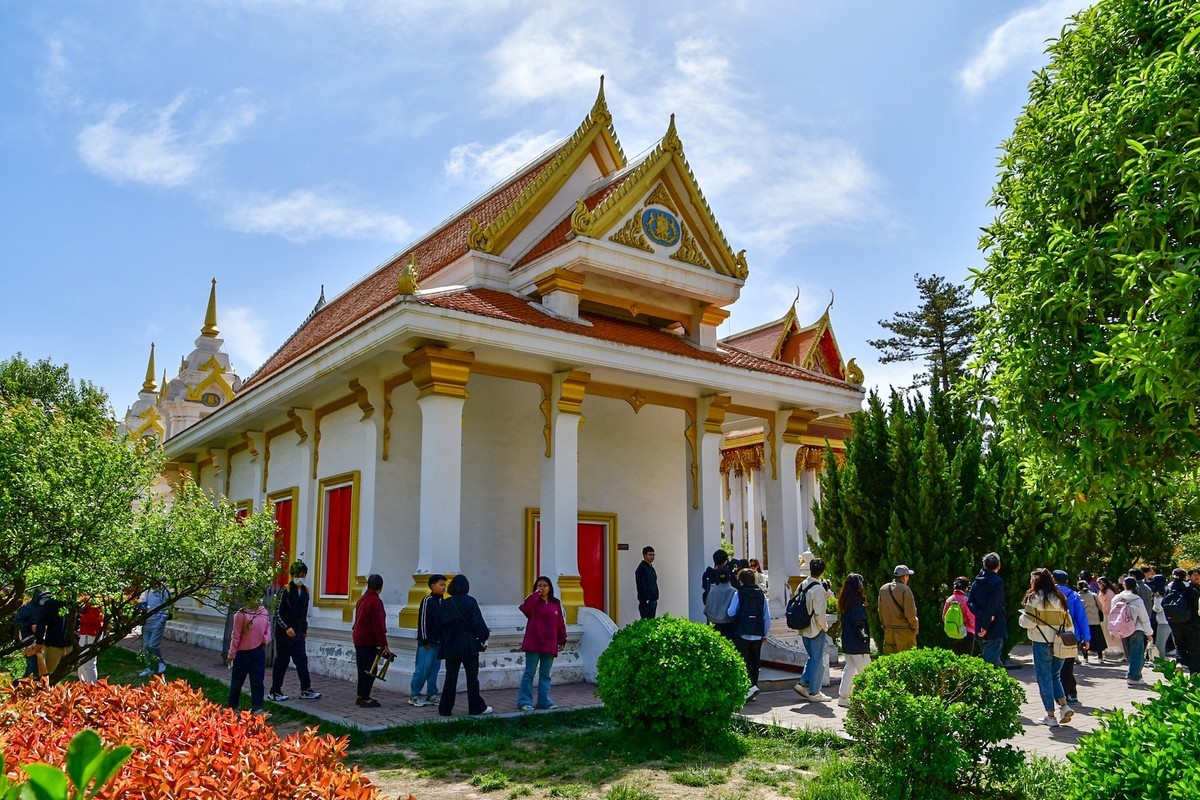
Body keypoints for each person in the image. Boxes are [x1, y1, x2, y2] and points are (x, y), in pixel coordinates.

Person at [1019, 568, 1074, 727]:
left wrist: (1021, 619)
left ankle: (1050, 716)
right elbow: (1068, 623)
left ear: (1036, 581)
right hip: (1060, 643)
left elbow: (1028, 622)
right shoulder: (1060, 597)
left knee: (1044, 679)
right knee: (1054, 676)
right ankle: (1064, 706)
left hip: (1041, 642)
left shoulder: (1034, 598)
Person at [438, 574, 492, 717]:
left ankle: (445, 708)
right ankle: (475, 707)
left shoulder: (446, 603)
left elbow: (440, 625)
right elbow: (479, 625)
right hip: (468, 645)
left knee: (450, 677)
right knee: (472, 678)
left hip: (451, 645)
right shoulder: (470, 602)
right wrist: (483, 636)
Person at [267, 560, 322, 703]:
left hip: (298, 633)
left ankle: (306, 689)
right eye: (298, 574)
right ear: (292, 575)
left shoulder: (305, 591)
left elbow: (303, 613)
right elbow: (277, 613)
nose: (300, 577)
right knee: (282, 662)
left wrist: (304, 629)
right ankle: (275, 691)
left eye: (303, 575)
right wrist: (286, 627)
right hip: (284, 634)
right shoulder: (285, 590)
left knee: (302, 660)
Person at [517, 576, 567, 711]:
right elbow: (525, 610)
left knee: (545, 674)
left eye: (545, 585)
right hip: (534, 642)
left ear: (550, 588)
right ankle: (524, 701)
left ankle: (544, 701)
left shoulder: (555, 603)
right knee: (529, 672)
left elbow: (560, 623)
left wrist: (562, 639)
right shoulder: (533, 601)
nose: (542, 588)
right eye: (539, 585)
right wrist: (535, 595)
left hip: (549, 643)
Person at [226, 590, 271, 716]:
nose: (257, 600)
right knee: (237, 681)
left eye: (258, 597)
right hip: (242, 653)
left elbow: (268, 626)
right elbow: (236, 635)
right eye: (254, 597)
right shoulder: (241, 614)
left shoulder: (263, 612)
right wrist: (231, 654)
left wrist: (265, 639)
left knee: (258, 681)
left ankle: (258, 708)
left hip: (258, 651)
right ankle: (232, 707)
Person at [793, 558, 832, 701]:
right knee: (817, 660)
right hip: (816, 628)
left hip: (803, 626)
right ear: (822, 572)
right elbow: (820, 614)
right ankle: (815, 692)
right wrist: (824, 627)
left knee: (812, 657)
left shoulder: (802, 585)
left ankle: (803, 683)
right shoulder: (818, 589)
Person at [728, 568, 770, 701]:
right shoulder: (761, 594)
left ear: (740, 581)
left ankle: (747, 688)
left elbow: (731, 612)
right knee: (755, 662)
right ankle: (753, 688)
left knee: (743, 661)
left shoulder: (739, 593)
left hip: (742, 631)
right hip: (758, 633)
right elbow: (766, 616)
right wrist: (765, 633)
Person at [351, 574, 390, 708]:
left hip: (359, 637)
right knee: (370, 669)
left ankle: (361, 695)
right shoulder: (375, 601)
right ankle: (365, 697)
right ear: (381, 587)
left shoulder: (362, 599)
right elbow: (378, 625)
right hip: (368, 639)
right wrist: (384, 644)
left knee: (362, 668)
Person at [1052, 570, 1090, 705]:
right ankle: (1071, 693)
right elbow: (1082, 617)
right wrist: (1086, 638)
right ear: (1067, 581)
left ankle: (1059, 695)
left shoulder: (1049, 595)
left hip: (1053, 634)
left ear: (1053, 580)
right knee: (1068, 665)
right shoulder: (1073, 595)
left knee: (1055, 666)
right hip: (1071, 635)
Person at [409, 573, 446, 707]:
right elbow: (423, 621)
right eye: (441, 585)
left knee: (434, 670)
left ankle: (432, 694)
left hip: (438, 643)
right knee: (422, 669)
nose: (443, 588)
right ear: (432, 586)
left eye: (444, 585)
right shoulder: (427, 600)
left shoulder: (443, 602)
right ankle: (415, 695)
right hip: (427, 643)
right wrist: (425, 640)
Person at [1110, 576, 1153, 687]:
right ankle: (1134, 676)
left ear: (1124, 585)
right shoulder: (1137, 600)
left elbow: (1112, 615)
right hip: (1136, 629)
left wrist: (1112, 630)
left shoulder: (1116, 598)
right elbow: (1144, 618)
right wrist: (1149, 633)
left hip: (1122, 629)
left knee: (1128, 653)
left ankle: (1132, 673)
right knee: (1137, 653)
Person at [837, 573, 871, 708]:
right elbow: (859, 622)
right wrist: (864, 637)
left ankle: (843, 696)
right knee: (867, 670)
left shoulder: (845, 602)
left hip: (848, 642)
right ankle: (870, 697)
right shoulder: (857, 603)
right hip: (858, 642)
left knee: (850, 668)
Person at [968, 552, 1007, 667]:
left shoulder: (976, 581)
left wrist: (980, 615)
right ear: (998, 566)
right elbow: (993, 605)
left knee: (991, 662)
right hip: (993, 627)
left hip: (979, 625)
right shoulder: (997, 582)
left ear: (984, 565)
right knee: (991, 665)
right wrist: (986, 625)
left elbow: (970, 602)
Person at [1163, 568, 1200, 672]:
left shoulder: (1169, 589)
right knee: (1194, 646)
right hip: (1191, 623)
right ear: (1186, 577)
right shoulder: (1191, 590)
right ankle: (1195, 673)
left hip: (1174, 622)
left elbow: (1163, 604)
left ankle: (1179, 662)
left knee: (1179, 643)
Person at [878, 565, 919, 655]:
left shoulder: (883, 589)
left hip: (889, 631)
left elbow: (880, 611)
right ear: (904, 577)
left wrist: (885, 626)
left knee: (890, 662)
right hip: (904, 632)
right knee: (907, 661)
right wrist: (915, 627)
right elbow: (910, 614)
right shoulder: (905, 589)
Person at [138, 580, 171, 677]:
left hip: (157, 623)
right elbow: (143, 603)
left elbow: (167, 608)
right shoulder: (147, 591)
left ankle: (161, 662)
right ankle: (149, 668)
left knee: (152, 645)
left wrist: (161, 622)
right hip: (147, 623)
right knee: (145, 648)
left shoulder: (163, 591)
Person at [15, 590, 47, 680]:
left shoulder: (46, 608)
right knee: (33, 665)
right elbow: (17, 622)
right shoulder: (26, 608)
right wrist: (30, 627)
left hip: (43, 639)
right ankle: (24, 686)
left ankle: (40, 688)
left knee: (43, 666)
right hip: (29, 640)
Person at [941, 577, 976, 656]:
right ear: (966, 588)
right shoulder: (966, 600)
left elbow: (944, 616)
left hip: (951, 632)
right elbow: (972, 618)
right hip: (966, 632)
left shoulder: (949, 600)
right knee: (966, 657)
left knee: (954, 656)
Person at [703, 567, 736, 640]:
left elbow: (706, 611)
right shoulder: (734, 592)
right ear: (729, 576)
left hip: (714, 624)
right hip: (729, 626)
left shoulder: (712, 591)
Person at [76, 598, 104, 684]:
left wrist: (79, 617)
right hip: (88, 634)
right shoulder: (92, 600)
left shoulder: (95, 601)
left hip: (90, 634)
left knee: (88, 663)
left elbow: (93, 618)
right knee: (81, 663)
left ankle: (91, 688)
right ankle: (83, 685)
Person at [1077, 580, 1104, 664]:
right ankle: (1100, 657)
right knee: (1098, 639)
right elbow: (1100, 606)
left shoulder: (1078, 596)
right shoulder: (1093, 595)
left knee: (1085, 639)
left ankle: (1086, 658)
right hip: (1095, 620)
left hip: (1084, 622)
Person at [1096, 576, 1121, 661]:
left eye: (1099, 584)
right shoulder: (1102, 592)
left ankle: (1122, 650)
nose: (1098, 585)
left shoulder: (1109, 593)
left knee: (1112, 633)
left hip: (1109, 615)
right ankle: (1105, 650)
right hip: (1104, 614)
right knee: (1104, 633)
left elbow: (1108, 605)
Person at [1150, 574, 1171, 663]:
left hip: (1162, 620)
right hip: (1169, 619)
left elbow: (1158, 607)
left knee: (1160, 643)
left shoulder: (1157, 594)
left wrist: (1153, 608)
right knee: (1163, 642)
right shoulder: (1168, 590)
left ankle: (1159, 661)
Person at [635, 546, 658, 619]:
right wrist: (646, 599)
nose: (652, 557)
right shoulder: (642, 569)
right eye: (650, 555)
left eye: (653, 555)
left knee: (651, 621)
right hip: (646, 601)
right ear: (644, 555)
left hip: (653, 600)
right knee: (647, 622)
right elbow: (642, 586)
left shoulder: (651, 568)